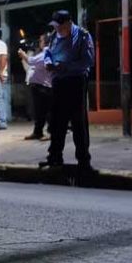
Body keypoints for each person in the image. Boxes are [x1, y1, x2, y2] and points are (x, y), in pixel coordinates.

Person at [40, 10, 95, 171]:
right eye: (55, 26)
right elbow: (48, 53)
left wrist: (64, 66)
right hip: (58, 81)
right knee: (57, 121)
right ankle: (54, 157)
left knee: (78, 122)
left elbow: (88, 60)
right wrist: (48, 62)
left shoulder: (82, 36)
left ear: (69, 23)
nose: (57, 29)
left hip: (76, 81)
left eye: (60, 25)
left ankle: (84, 160)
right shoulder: (54, 36)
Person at [19, 33, 52, 140]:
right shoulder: (44, 52)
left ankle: (51, 132)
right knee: (40, 112)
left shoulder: (46, 53)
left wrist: (23, 54)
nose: (39, 43)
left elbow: (31, 61)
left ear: (45, 42)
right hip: (40, 86)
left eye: (41, 41)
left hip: (44, 87)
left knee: (46, 111)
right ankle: (38, 132)